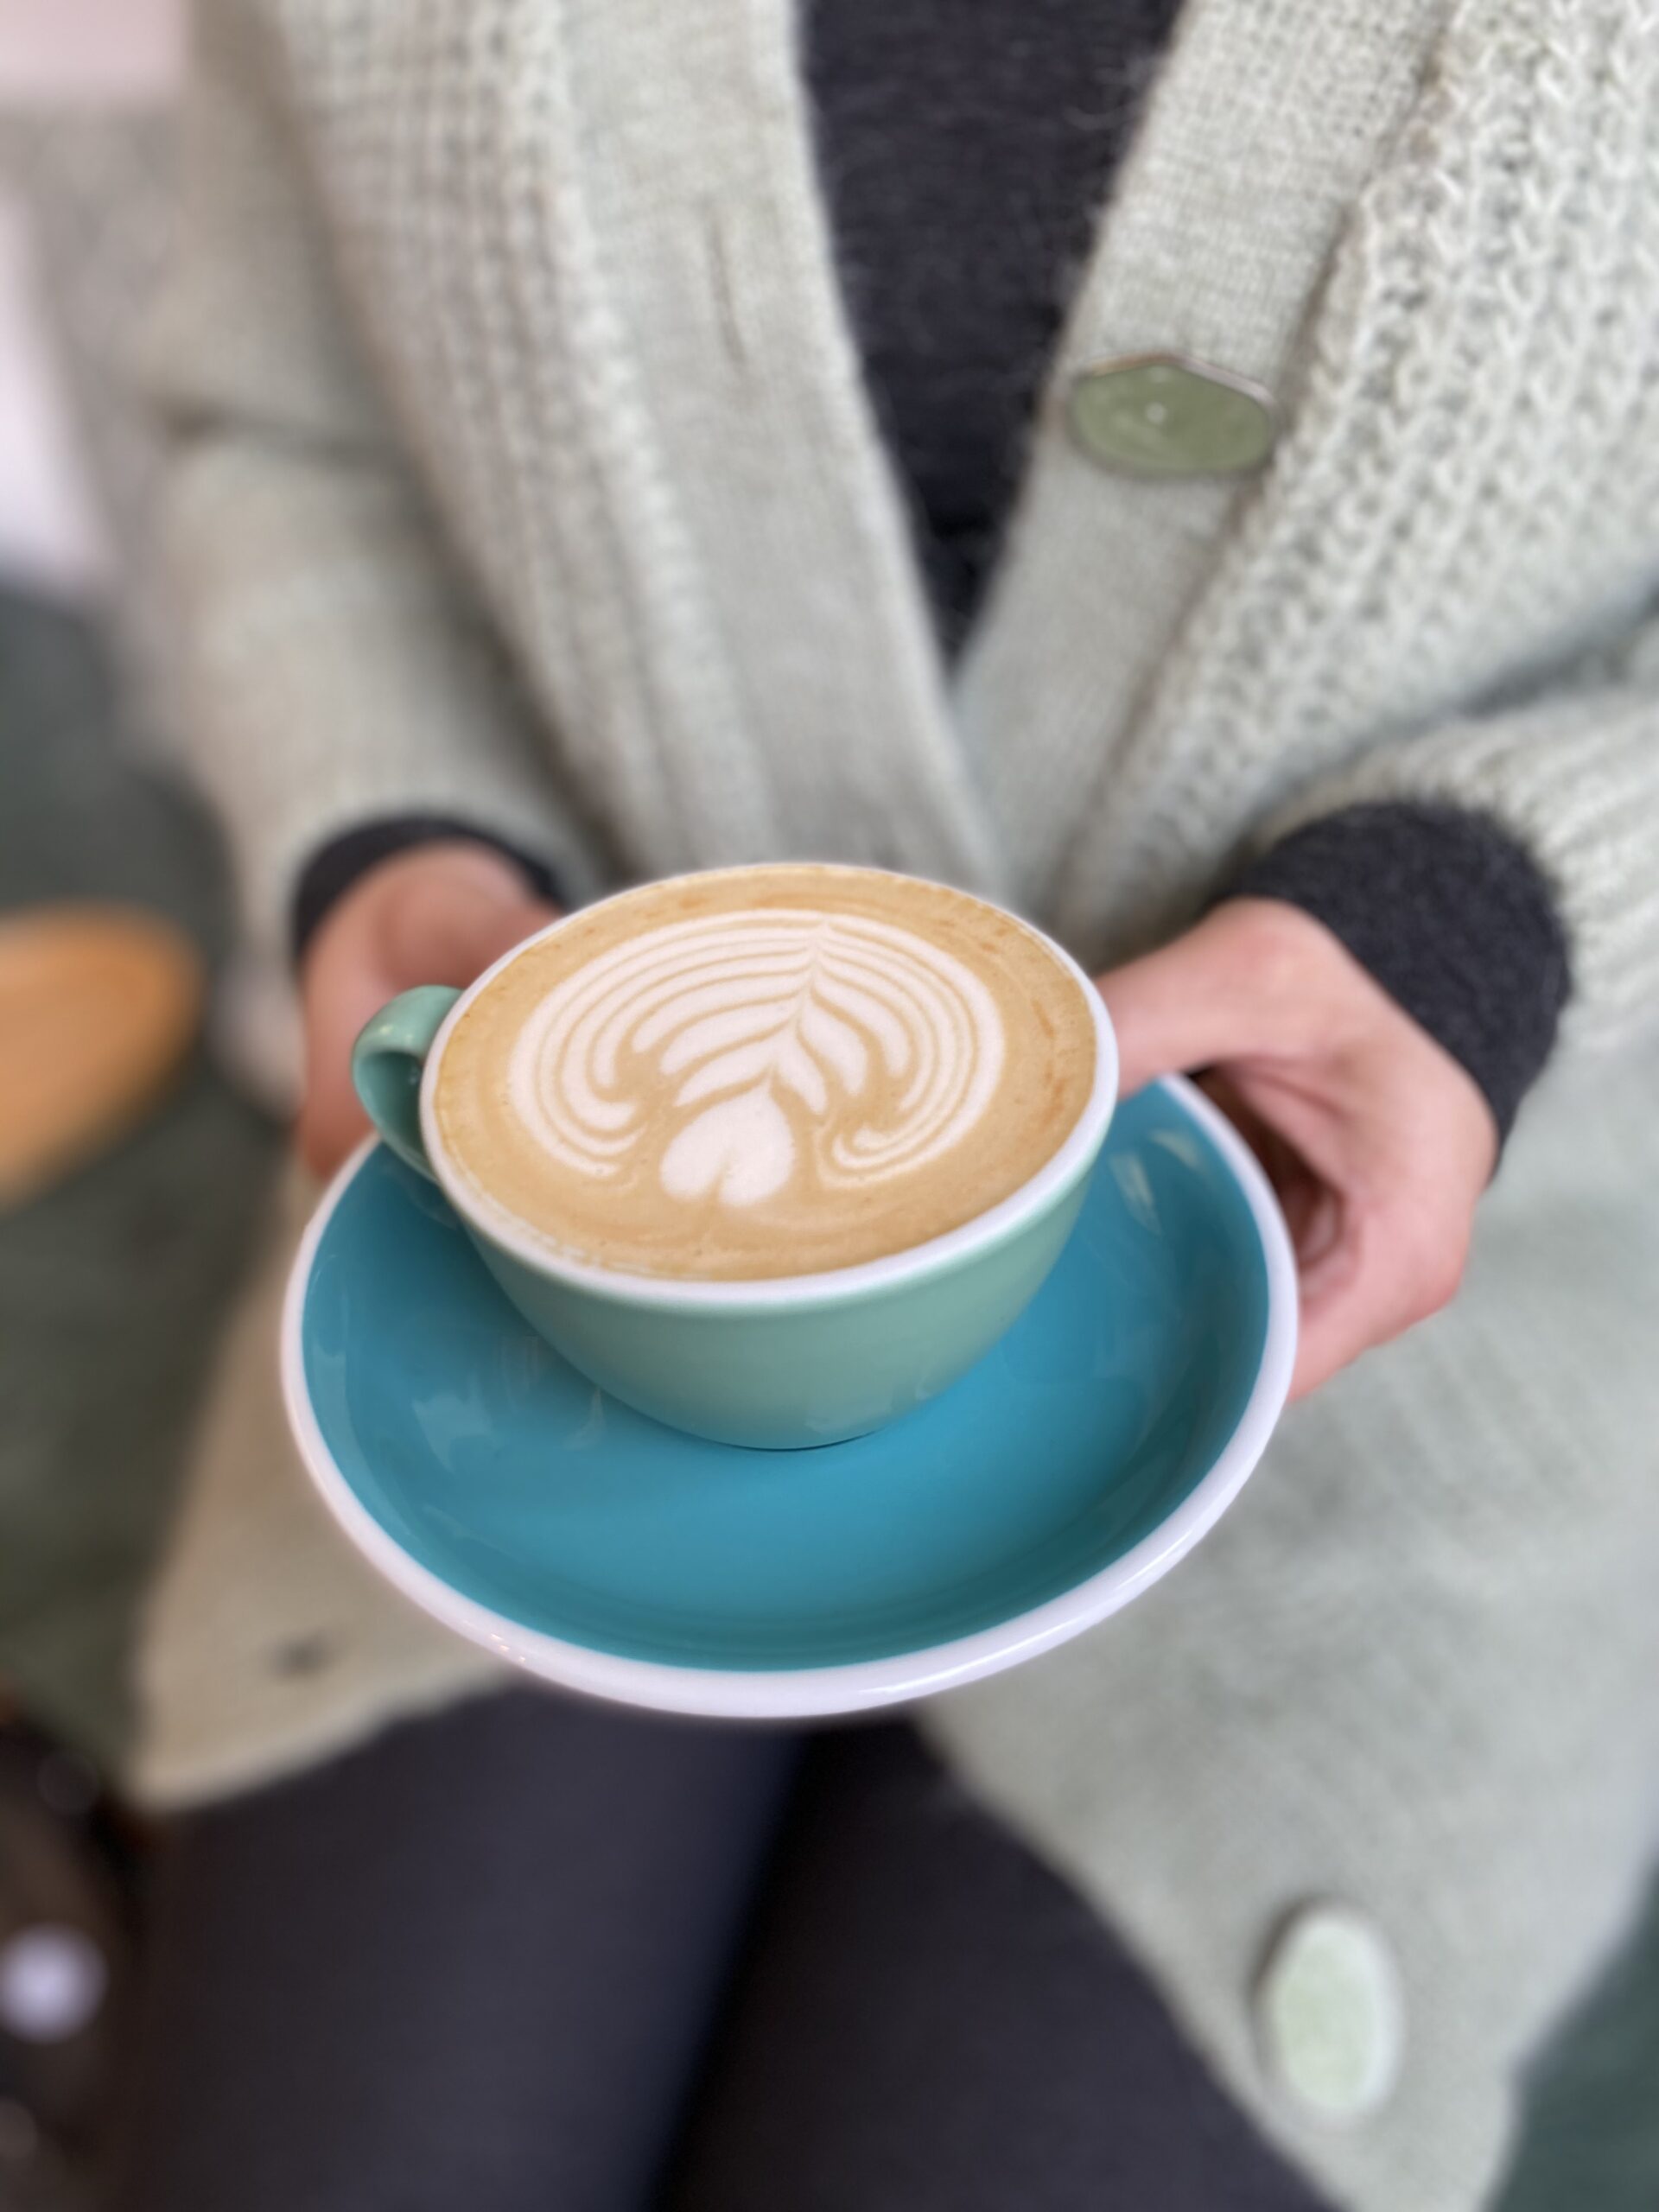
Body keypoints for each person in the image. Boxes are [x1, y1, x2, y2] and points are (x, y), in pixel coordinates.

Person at [116, 2, 1659, 2208]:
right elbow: (285, 431)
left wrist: (1488, 910)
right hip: (554, 1240)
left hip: (1403, 1309)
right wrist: (392, 823)